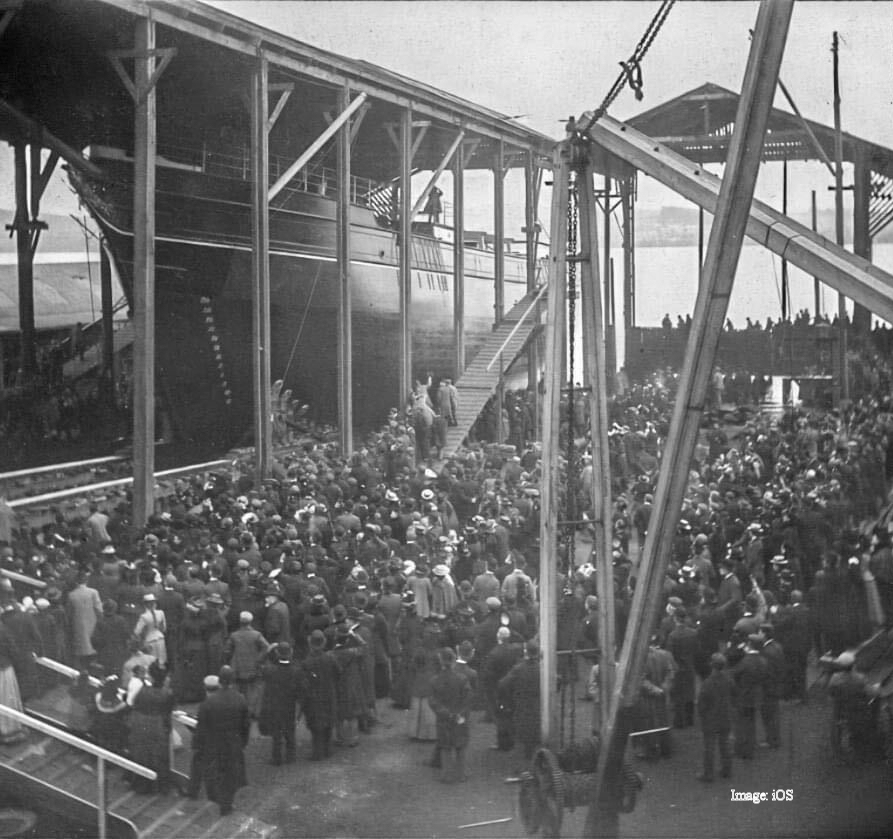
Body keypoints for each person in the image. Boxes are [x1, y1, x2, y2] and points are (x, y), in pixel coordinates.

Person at [192, 666, 249, 816]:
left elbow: (202, 726)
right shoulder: (240, 698)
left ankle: (219, 798)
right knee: (231, 773)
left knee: (216, 772)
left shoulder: (209, 702)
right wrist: (243, 741)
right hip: (233, 742)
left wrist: (198, 743)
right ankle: (227, 803)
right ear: (232, 680)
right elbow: (245, 724)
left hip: (214, 742)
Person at [128, 661, 175, 793]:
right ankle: (161, 786)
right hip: (158, 728)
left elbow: (135, 705)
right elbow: (168, 711)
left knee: (142, 756)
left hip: (141, 726)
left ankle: (141, 786)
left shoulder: (143, 691)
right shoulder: (167, 694)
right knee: (159, 757)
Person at [428, 647, 472, 783]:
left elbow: (433, 702)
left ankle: (447, 775)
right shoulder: (462, 679)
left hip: (444, 719)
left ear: (441, 661)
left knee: (445, 747)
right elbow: (468, 698)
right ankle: (461, 774)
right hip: (460, 717)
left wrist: (446, 714)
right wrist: (460, 714)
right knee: (461, 745)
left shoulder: (435, 680)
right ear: (453, 660)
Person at [259, 642, 304, 765]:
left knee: (276, 733)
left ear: (277, 653)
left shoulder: (270, 670)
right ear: (291, 653)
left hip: (275, 705)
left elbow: (258, 665)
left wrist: (268, 651)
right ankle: (291, 756)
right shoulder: (296, 671)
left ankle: (277, 758)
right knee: (290, 731)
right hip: (290, 705)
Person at [498, 639, 541, 760]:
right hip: (538, 704)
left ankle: (522, 767)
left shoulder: (518, 669)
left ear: (526, 652)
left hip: (522, 703)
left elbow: (503, 684)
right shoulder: (542, 669)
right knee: (535, 733)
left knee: (521, 735)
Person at [225, 611, 270, 720]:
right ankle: (251, 712)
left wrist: (231, 660)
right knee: (253, 690)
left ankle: (238, 712)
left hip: (237, 667)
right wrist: (259, 659)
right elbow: (266, 647)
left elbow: (227, 650)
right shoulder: (256, 634)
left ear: (240, 621)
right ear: (251, 621)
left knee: (238, 690)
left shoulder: (234, 635)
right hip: (253, 666)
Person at [301, 630, 339, 760]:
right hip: (329, 693)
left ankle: (318, 752)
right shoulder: (330, 658)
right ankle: (327, 749)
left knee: (315, 725)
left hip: (313, 697)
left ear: (310, 643)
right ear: (324, 642)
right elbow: (338, 672)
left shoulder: (306, 662)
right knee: (328, 722)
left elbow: (303, 682)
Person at [696, 652, 733, 782]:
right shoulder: (728, 680)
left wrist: (702, 715)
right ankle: (726, 770)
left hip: (710, 718)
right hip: (725, 716)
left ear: (712, 665)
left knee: (709, 747)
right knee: (725, 744)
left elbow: (702, 703)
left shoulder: (708, 683)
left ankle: (708, 774)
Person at [732, 634, 768, 759]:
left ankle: (742, 749)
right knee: (751, 723)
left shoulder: (746, 661)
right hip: (756, 695)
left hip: (744, 695)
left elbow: (735, 674)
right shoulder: (763, 661)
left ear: (750, 644)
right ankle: (750, 748)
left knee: (741, 724)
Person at [67, 570, 102, 669]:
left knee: (80, 648)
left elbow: (69, 613)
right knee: (92, 646)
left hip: (77, 624)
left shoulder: (71, 595)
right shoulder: (93, 592)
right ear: (86, 581)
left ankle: (81, 669)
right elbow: (99, 609)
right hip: (93, 623)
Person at [133, 593, 168, 667]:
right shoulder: (161, 613)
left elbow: (136, 631)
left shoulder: (144, 616)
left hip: (149, 640)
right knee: (162, 660)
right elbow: (164, 628)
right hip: (160, 638)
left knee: (152, 662)